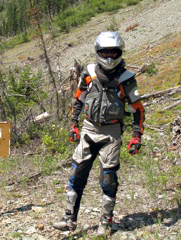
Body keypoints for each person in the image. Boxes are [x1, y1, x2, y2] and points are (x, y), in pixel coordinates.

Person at [53, 31, 145, 236]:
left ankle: (106, 222)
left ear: (120, 52)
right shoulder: (89, 72)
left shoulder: (127, 78)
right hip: (88, 129)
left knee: (108, 178)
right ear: (98, 52)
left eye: (114, 52)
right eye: (105, 52)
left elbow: (137, 108)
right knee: (77, 174)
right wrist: (74, 125)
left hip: (111, 132)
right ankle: (68, 219)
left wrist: (137, 135)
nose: (110, 57)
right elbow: (78, 99)